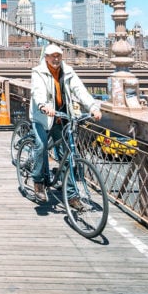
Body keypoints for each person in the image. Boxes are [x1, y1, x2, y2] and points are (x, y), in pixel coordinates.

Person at [29, 44, 103, 205]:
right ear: (46, 57)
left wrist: (93, 107)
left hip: (62, 117)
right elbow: (37, 91)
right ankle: (38, 183)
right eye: (52, 56)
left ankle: (71, 195)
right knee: (41, 147)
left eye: (58, 56)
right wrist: (43, 105)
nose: (55, 59)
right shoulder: (38, 72)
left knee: (66, 155)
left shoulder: (68, 72)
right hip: (42, 117)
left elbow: (80, 90)